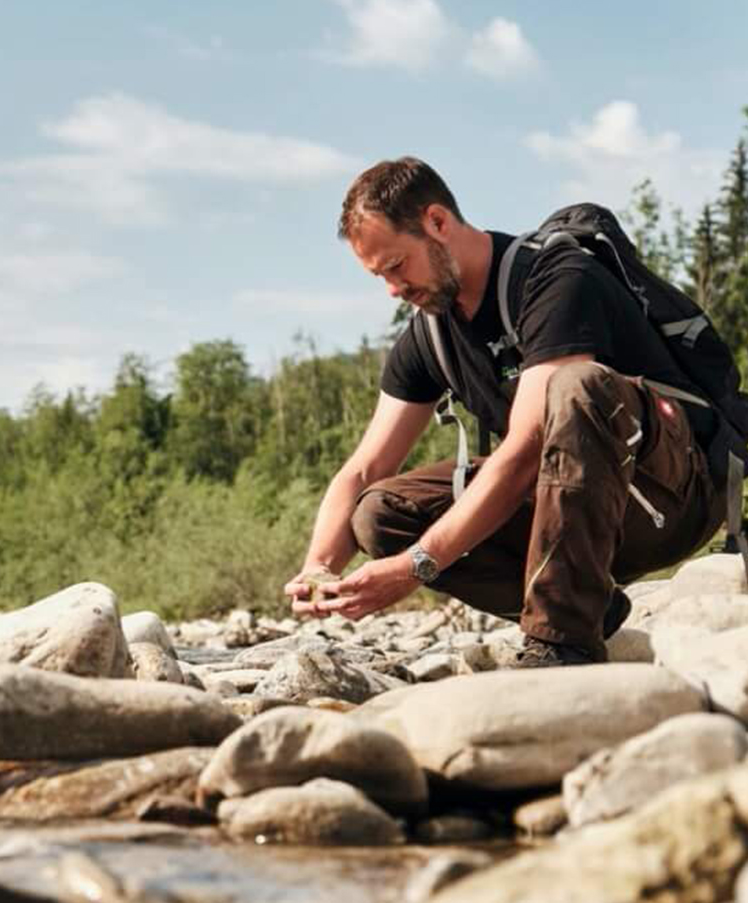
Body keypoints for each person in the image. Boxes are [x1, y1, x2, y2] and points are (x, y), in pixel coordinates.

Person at [284, 157, 725, 666]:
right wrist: (318, 568)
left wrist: (416, 566)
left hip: (672, 499)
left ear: (437, 221)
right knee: (379, 514)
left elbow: (524, 451)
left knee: (576, 386)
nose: (393, 290)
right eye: (379, 275)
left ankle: (561, 642)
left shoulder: (556, 279)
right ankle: (592, 609)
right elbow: (364, 469)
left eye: (397, 265)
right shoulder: (431, 333)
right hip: (568, 513)